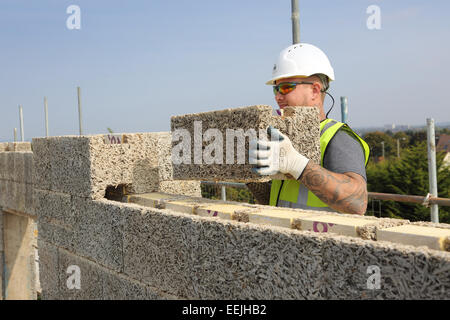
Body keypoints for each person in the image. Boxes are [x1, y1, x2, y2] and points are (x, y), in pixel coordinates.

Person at [248, 43, 370, 215]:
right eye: (276, 89)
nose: (277, 96)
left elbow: (357, 203)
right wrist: (251, 177)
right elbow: (276, 202)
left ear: (314, 90)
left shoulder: (337, 138)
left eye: (285, 87)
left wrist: (297, 165)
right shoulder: (284, 139)